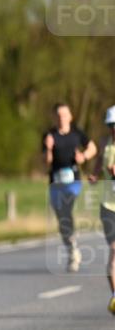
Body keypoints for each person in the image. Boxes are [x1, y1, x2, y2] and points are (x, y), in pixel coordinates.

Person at [43, 103, 97, 272]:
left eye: (64, 114)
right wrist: (49, 148)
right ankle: (72, 249)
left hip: (73, 180)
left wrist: (83, 156)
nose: (62, 118)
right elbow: (46, 162)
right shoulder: (49, 135)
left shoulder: (77, 133)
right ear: (54, 117)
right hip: (56, 181)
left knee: (66, 209)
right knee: (62, 219)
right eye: (58, 115)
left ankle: (73, 247)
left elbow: (93, 148)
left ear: (70, 116)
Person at [89, 105, 115, 314]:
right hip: (108, 206)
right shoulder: (106, 145)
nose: (113, 129)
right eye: (111, 126)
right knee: (114, 251)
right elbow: (99, 161)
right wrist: (95, 175)